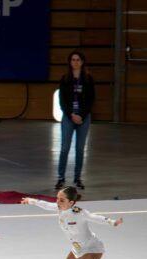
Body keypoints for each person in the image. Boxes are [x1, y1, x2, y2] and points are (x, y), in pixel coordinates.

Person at [57, 50, 95, 190]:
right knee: (65, 148)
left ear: (82, 62)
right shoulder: (65, 78)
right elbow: (62, 101)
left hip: (83, 117)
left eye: (78, 59)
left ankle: (77, 178)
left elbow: (91, 100)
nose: (75, 62)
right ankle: (61, 177)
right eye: (73, 60)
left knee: (80, 148)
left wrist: (82, 116)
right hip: (69, 116)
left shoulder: (88, 79)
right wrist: (71, 115)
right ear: (70, 62)